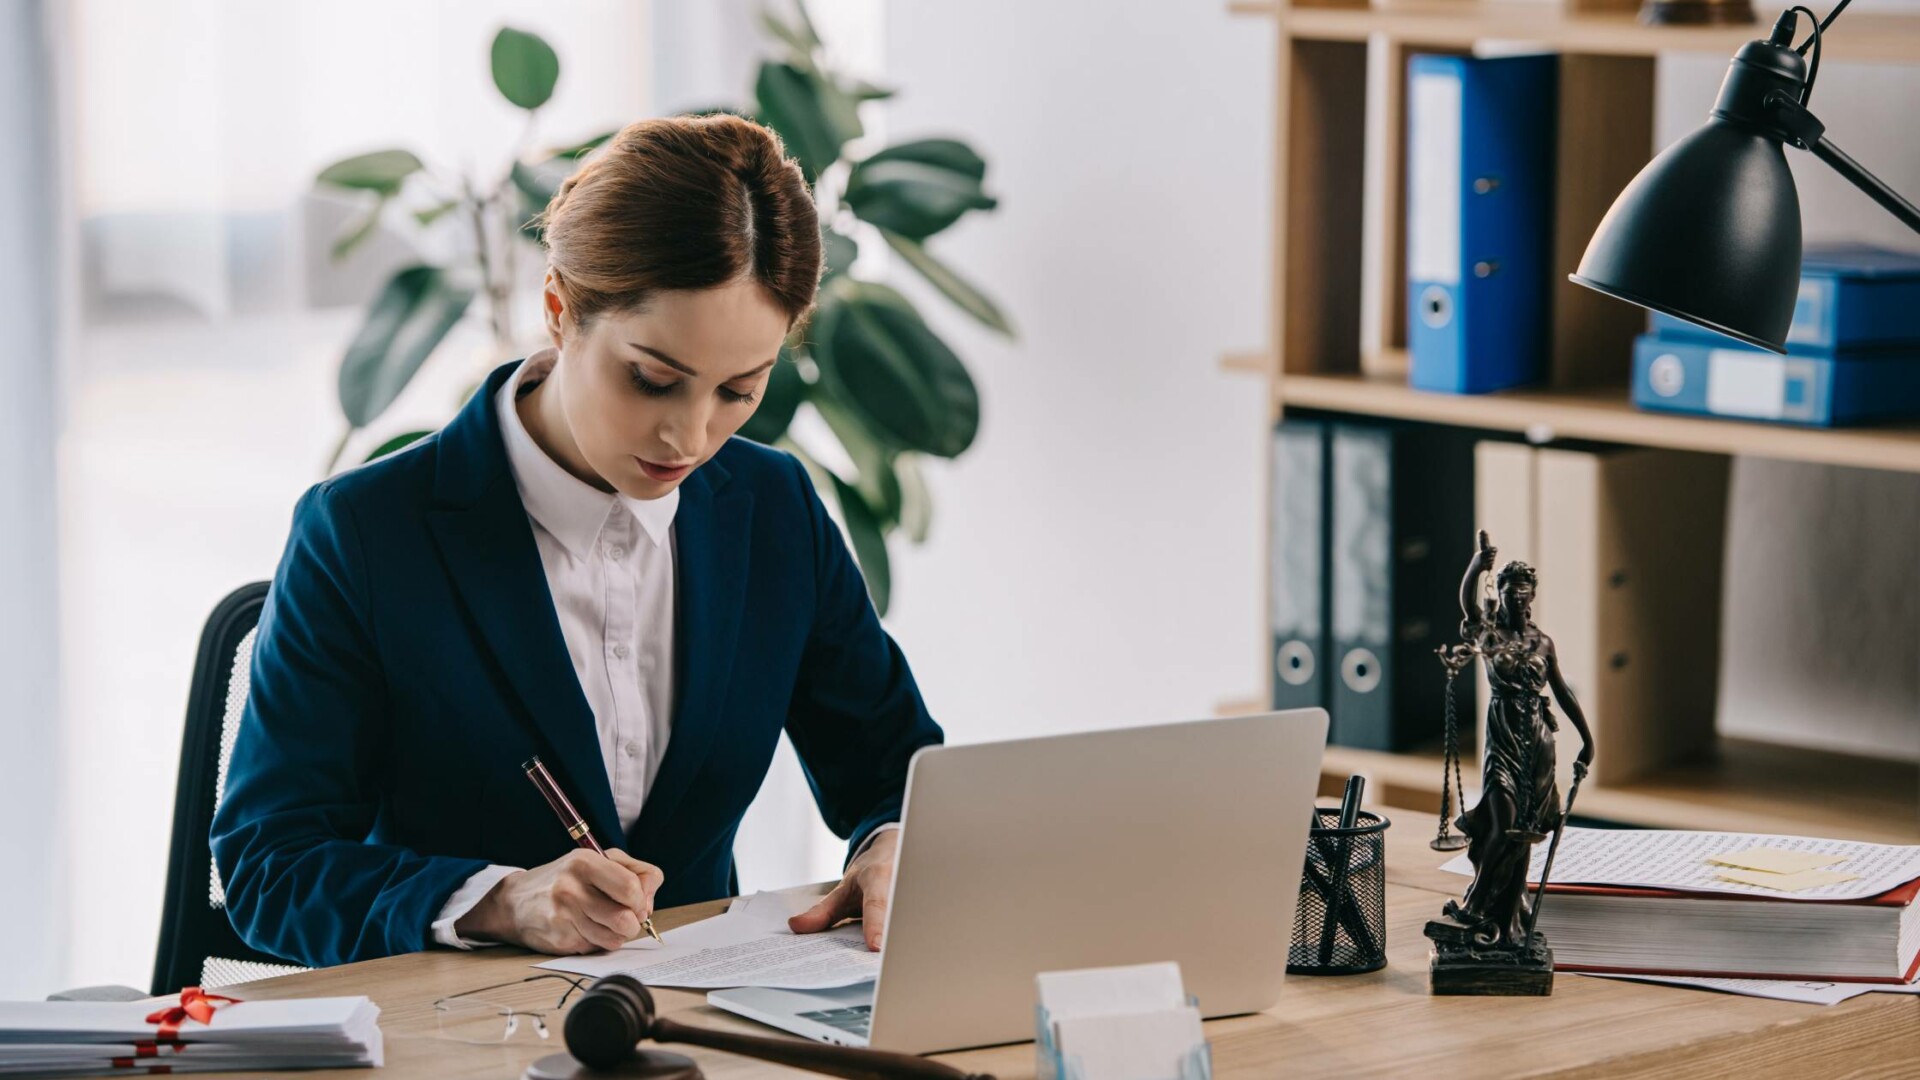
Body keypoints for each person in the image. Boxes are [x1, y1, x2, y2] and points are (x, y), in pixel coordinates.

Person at [211, 115, 944, 968]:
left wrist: (893, 841)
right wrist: (496, 899)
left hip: (702, 1028)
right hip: (459, 1035)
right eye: (653, 379)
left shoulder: (772, 507)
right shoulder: (366, 533)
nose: (689, 437)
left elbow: (895, 768)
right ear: (559, 310)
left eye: (739, 391)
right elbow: (272, 865)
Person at [1437, 530, 1594, 949]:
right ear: (1502, 596)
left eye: (1525, 597)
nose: (1519, 604)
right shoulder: (1492, 638)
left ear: (1532, 597)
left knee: (1523, 830)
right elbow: (1469, 605)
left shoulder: (1543, 642)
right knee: (1503, 822)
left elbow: (1562, 692)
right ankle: (1476, 905)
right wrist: (1477, 565)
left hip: (1539, 744)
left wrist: (1587, 739)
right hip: (1503, 737)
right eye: (1512, 597)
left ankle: (1507, 918)